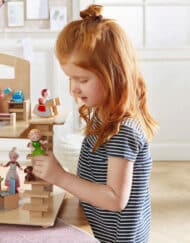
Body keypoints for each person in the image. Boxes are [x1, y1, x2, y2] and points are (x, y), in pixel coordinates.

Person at [31, 4, 158, 243]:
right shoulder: (101, 114)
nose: (74, 88)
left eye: (83, 79)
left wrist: (60, 177)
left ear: (113, 74)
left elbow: (114, 199)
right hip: (101, 229)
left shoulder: (122, 131)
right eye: (70, 78)